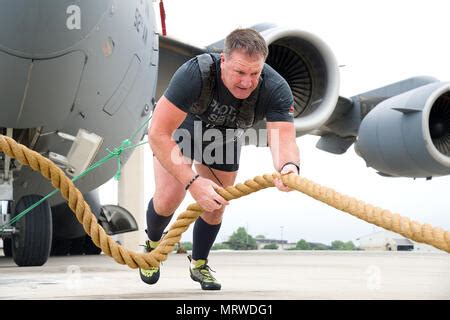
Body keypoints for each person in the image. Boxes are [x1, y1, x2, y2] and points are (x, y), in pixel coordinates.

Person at [140, 28, 300, 290]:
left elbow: (284, 140)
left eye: (254, 73)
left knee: (216, 204)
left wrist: (289, 167)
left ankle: (199, 264)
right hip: (185, 128)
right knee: (170, 196)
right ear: (223, 60)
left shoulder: (276, 88)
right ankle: (153, 246)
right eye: (240, 72)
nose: (247, 82)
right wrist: (192, 182)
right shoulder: (195, 73)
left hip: (225, 137)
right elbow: (158, 133)